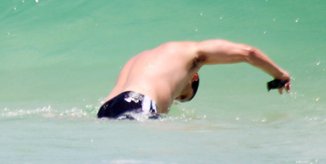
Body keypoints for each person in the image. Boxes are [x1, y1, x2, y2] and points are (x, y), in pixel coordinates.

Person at [97, 39, 291, 120]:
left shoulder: (137, 59)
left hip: (105, 109)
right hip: (139, 103)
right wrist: (280, 74)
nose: (175, 99)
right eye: (183, 96)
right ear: (193, 77)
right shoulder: (192, 53)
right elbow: (248, 53)